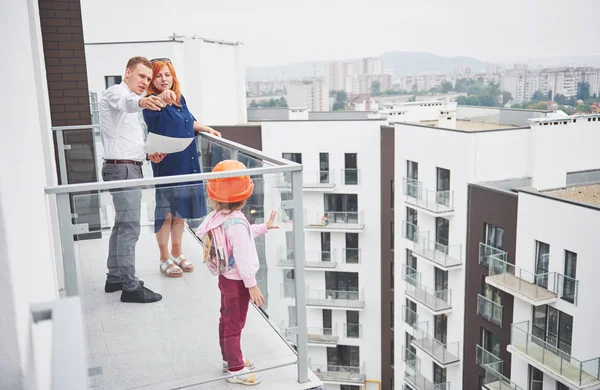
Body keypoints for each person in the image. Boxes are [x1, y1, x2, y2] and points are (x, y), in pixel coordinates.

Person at [195, 160, 278, 386]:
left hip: (225, 278)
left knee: (226, 319)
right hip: (238, 282)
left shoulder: (219, 217)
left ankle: (228, 359)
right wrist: (251, 284)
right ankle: (236, 368)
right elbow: (243, 255)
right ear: (244, 196)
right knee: (235, 324)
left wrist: (264, 227)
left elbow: (241, 235)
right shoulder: (237, 222)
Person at [99, 56, 171, 303]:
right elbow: (129, 103)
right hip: (123, 170)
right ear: (127, 72)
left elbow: (126, 141)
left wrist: (148, 153)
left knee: (121, 226)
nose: (145, 82)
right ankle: (130, 287)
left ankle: (115, 278)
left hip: (128, 166)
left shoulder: (130, 100)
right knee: (130, 228)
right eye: (141, 76)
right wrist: (143, 101)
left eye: (148, 79)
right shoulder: (116, 93)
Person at [143, 58, 222, 278]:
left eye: (167, 74)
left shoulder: (180, 98)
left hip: (187, 160)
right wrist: (163, 97)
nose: (163, 79)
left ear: (173, 76)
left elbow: (188, 122)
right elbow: (155, 114)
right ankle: (164, 257)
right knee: (166, 212)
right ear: (152, 79)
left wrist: (207, 129)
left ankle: (177, 252)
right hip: (167, 162)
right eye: (158, 75)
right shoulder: (150, 101)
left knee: (180, 213)